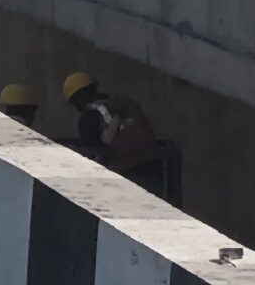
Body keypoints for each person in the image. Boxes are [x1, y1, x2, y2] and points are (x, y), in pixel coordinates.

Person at [63, 70, 178, 198]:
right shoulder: (128, 103)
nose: (76, 108)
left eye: (74, 102)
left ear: (80, 96)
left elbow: (92, 152)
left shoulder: (88, 118)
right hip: (153, 171)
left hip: (123, 176)